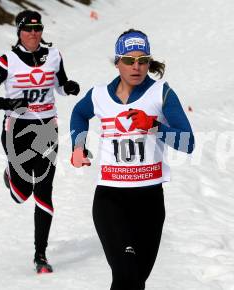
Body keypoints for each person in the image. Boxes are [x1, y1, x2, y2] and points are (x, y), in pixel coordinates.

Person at [69, 29, 195, 289]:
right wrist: (78, 146)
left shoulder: (162, 93)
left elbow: (188, 142)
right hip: (110, 200)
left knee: (135, 281)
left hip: (149, 202)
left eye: (143, 60)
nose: (136, 67)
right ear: (117, 62)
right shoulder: (99, 95)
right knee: (126, 275)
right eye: (128, 60)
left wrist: (154, 126)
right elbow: (79, 114)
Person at [0, 10, 80, 274]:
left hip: (47, 127)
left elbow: (60, 83)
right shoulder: (7, 60)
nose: (34, 34)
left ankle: (41, 255)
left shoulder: (54, 55)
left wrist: (68, 87)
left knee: (44, 188)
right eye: (28, 29)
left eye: (38, 29)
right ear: (19, 32)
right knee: (21, 194)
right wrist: (9, 103)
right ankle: (11, 177)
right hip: (17, 129)